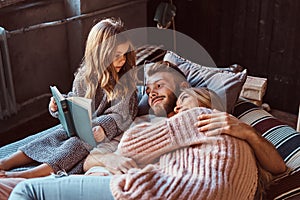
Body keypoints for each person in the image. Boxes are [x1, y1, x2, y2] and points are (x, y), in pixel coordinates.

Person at [8, 61, 286, 200]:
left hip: (144, 188)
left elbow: (279, 165)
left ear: (182, 93)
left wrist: (248, 132)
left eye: (161, 86)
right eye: (148, 89)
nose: (151, 93)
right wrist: (109, 158)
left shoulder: (208, 119)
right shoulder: (133, 118)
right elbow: (91, 156)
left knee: (27, 192)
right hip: (105, 171)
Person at [0, 17, 138, 179]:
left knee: (75, 146)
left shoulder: (125, 82)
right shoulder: (84, 77)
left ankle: (26, 175)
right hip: (84, 126)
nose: (122, 60)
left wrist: (103, 127)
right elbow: (75, 99)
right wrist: (60, 106)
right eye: (116, 55)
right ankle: (5, 162)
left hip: (101, 132)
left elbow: (122, 115)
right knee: (52, 136)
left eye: (125, 54)